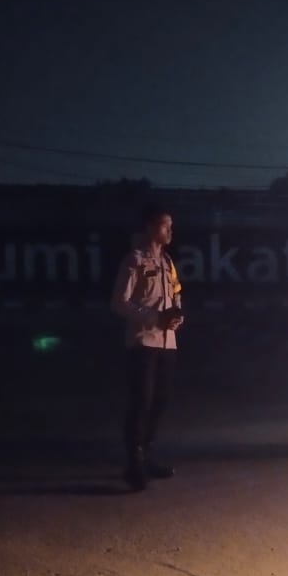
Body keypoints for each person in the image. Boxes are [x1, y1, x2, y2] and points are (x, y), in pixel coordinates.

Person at [111, 204, 185, 490]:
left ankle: (149, 456)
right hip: (143, 341)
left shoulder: (168, 262)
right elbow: (119, 302)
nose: (170, 231)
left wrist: (177, 315)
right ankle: (134, 464)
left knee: (160, 401)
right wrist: (154, 318)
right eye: (165, 226)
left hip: (168, 342)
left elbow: (176, 294)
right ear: (151, 227)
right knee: (141, 402)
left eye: (171, 226)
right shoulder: (135, 260)